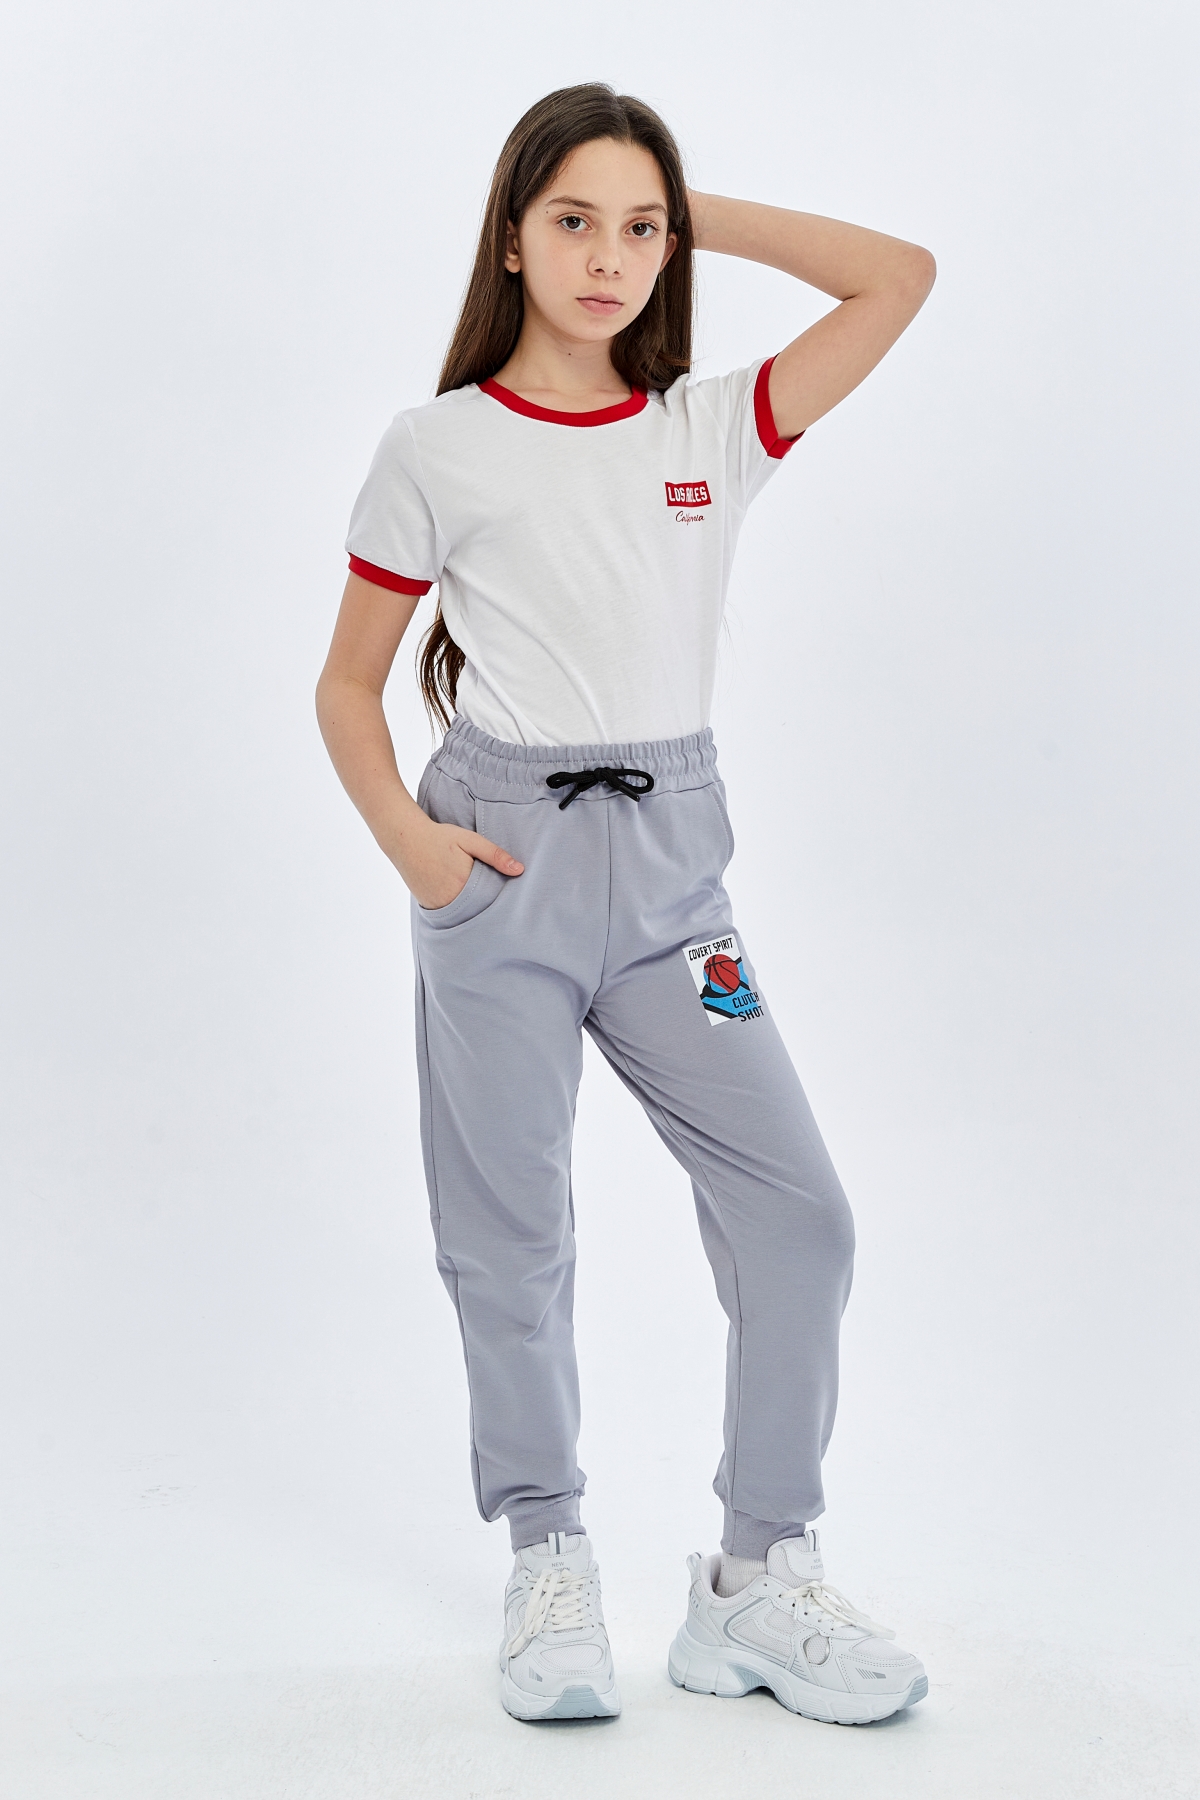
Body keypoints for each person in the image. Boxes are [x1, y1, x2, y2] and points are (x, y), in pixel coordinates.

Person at [316, 82, 935, 1725]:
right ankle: (547, 1554)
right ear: (513, 238)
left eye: (637, 228)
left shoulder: (708, 430)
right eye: (574, 220)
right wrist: (416, 848)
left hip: (673, 891)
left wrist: (689, 216)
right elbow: (347, 685)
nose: (608, 256)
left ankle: (754, 1580)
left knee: (801, 1217)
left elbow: (899, 276)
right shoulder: (437, 447)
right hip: (500, 869)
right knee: (509, 1236)